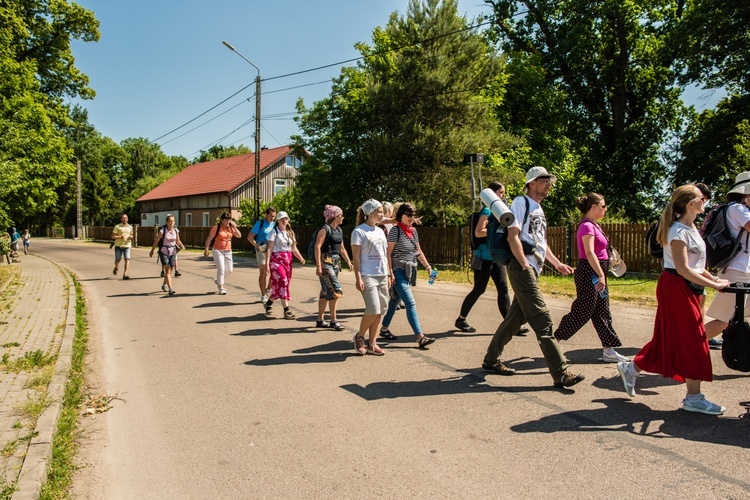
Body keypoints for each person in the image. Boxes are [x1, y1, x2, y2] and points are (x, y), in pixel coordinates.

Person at [616, 184, 730, 415]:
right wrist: (714, 284)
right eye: (701, 198)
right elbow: (683, 269)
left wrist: (716, 281)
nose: (705, 201)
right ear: (690, 204)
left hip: (687, 286)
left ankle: (632, 368)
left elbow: (697, 266)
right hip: (677, 286)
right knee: (694, 339)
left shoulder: (692, 228)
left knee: (672, 338)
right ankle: (693, 397)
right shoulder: (678, 231)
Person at [481, 166, 585, 388]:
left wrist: (556, 264)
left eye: (549, 180)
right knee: (542, 317)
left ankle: (490, 360)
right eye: (543, 180)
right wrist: (524, 264)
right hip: (522, 268)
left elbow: (540, 242)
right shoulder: (521, 202)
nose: (548, 184)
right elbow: (513, 236)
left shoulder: (538, 208)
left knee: (515, 318)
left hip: (530, 269)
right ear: (531, 183)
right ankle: (561, 372)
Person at [553, 193, 629, 362]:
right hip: (589, 272)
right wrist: (601, 275)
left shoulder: (596, 226)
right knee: (583, 310)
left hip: (598, 271)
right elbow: (589, 253)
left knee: (602, 310)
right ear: (593, 207)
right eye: (603, 206)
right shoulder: (586, 227)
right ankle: (554, 341)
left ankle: (609, 351)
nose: (605, 209)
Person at [454, 182, 529, 336]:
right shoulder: (488, 210)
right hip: (484, 258)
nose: (503, 195)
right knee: (479, 289)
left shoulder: (500, 211)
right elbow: (478, 232)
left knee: (503, 290)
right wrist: (493, 230)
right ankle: (461, 319)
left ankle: (511, 325)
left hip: (496, 257)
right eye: (501, 192)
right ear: (493, 194)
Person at [378, 202, 437, 348]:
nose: (411, 218)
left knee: (395, 300)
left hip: (408, 272)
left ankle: (384, 328)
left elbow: (417, 251)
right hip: (397, 271)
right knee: (410, 302)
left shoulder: (413, 231)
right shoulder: (395, 231)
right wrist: (390, 273)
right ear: (401, 215)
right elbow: (388, 253)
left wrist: (428, 267)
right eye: (408, 215)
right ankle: (420, 337)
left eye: (413, 215)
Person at [703, 172, 750, 348]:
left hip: (744, 270)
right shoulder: (737, 209)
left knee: (730, 318)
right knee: (724, 320)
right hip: (738, 271)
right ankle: (681, 346)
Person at [351, 199, 390, 356]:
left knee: (381, 310)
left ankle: (372, 344)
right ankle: (360, 337)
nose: (381, 214)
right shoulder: (359, 231)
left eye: (381, 211)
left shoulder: (380, 231)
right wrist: (358, 277)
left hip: (382, 274)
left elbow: (385, 255)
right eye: (378, 211)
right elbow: (357, 257)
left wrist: (388, 274)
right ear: (369, 213)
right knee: (373, 308)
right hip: (368, 275)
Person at [314, 205, 353, 330]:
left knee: (325, 290)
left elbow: (341, 248)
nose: (342, 218)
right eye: (341, 215)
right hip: (326, 262)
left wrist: (349, 261)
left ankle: (320, 319)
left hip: (336, 262)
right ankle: (333, 320)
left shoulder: (338, 230)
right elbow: (317, 247)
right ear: (335, 217)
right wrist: (319, 266)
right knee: (335, 289)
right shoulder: (325, 229)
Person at [264, 212, 305, 319]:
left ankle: (269, 303)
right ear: (277, 221)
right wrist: (267, 264)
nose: (284, 220)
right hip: (276, 260)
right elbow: (269, 248)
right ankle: (286, 310)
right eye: (282, 218)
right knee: (283, 281)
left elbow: (293, 248)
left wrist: (300, 258)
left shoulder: (290, 233)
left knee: (283, 285)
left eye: (286, 218)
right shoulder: (274, 232)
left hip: (288, 260)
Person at [204, 212, 241, 295]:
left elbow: (239, 236)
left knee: (230, 270)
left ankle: (218, 280)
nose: (228, 221)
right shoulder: (216, 228)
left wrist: (234, 227)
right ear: (221, 220)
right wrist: (206, 249)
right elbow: (209, 239)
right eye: (226, 220)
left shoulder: (230, 228)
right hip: (218, 250)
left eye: (229, 220)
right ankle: (221, 287)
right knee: (221, 268)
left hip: (228, 250)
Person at [248, 206, 277, 303]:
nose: (272, 218)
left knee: (274, 272)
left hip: (272, 250)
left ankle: (268, 288)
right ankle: (263, 294)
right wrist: (256, 246)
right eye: (270, 216)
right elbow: (250, 237)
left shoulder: (274, 225)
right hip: (261, 250)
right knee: (263, 272)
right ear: (266, 214)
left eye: (274, 216)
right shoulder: (260, 223)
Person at [149, 215, 184, 295]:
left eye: (173, 221)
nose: (172, 223)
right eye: (170, 221)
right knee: (167, 271)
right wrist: (152, 250)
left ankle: (164, 285)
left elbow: (178, 241)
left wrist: (181, 245)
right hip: (164, 251)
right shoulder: (163, 231)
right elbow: (157, 241)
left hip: (173, 251)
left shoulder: (175, 230)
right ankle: (170, 288)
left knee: (170, 270)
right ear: (166, 222)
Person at [112, 214, 134, 279]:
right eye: (123, 218)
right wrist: (120, 237)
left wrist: (131, 237)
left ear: (127, 219)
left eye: (126, 218)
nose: (125, 219)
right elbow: (113, 236)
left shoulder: (130, 227)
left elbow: (132, 235)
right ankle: (116, 266)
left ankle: (125, 274)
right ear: (121, 219)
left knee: (127, 259)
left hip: (127, 245)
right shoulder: (117, 226)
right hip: (118, 246)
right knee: (117, 259)